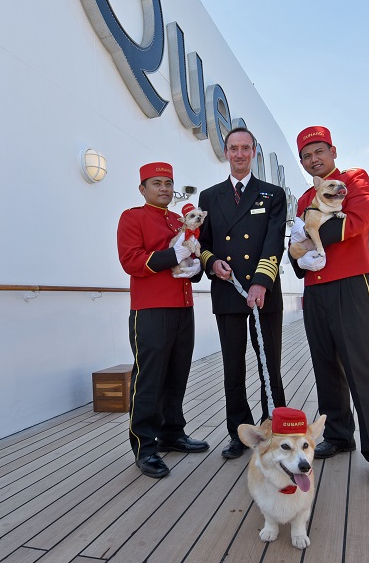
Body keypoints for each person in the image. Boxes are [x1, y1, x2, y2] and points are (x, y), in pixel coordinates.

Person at [288, 126, 369, 483]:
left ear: (333, 151)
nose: (314, 160)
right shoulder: (303, 197)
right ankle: (338, 435)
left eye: (319, 151)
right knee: (326, 368)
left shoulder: (353, 179)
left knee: (365, 370)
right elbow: (294, 247)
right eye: (307, 156)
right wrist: (298, 255)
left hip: (352, 286)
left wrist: (308, 237)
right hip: (316, 290)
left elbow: (353, 224)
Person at [197, 127, 288, 459]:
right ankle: (239, 432)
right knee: (232, 367)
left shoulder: (273, 194)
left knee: (270, 365)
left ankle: (275, 430)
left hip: (263, 291)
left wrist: (261, 281)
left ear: (253, 153)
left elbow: (274, 239)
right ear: (226, 153)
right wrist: (213, 262)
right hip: (227, 292)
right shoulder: (209, 196)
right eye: (233, 148)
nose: (239, 154)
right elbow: (203, 244)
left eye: (245, 148)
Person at [117, 162, 209, 478]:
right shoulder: (133, 217)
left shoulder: (177, 220)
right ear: (143, 189)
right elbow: (131, 260)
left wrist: (195, 267)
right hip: (151, 310)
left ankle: (172, 432)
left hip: (183, 307)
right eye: (156, 183)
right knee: (149, 379)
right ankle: (145, 447)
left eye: (168, 183)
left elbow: (189, 253)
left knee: (177, 374)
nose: (164, 188)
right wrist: (174, 257)